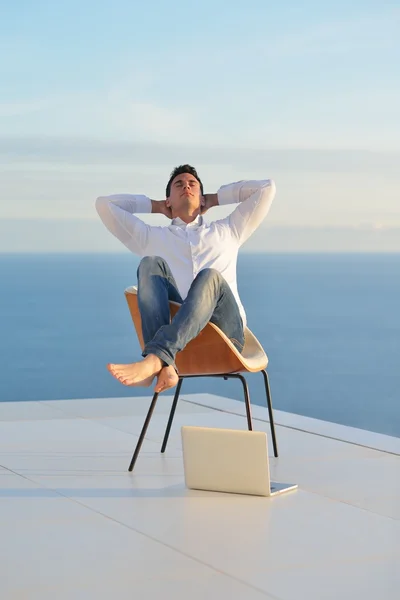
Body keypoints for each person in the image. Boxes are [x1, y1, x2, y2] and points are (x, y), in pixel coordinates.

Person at [96, 164, 276, 394]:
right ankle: (164, 363)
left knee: (210, 276)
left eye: (193, 184)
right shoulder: (151, 237)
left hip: (226, 336)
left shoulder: (229, 229)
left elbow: (266, 188)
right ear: (168, 200)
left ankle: (155, 359)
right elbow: (104, 205)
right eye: (178, 185)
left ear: (201, 197)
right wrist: (155, 206)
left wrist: (215, 198)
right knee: (150, 263)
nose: (186, 187)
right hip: (181, 345)